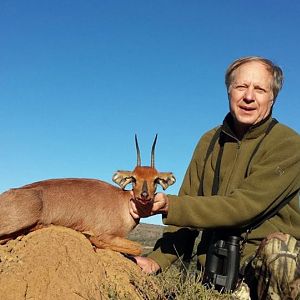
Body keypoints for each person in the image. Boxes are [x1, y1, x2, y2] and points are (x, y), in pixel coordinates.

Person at [130, 56, 300, 299]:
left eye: (260, 89)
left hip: (264, 275)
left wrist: (170, 205)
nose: (249, 97)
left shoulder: (289, 145)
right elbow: (185, 217)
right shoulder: (209, 142)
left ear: (273, 97)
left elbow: (244, 206)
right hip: (215, 274)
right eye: (241, 87)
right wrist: (155, 261)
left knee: (279, 249)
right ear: (229, 91)